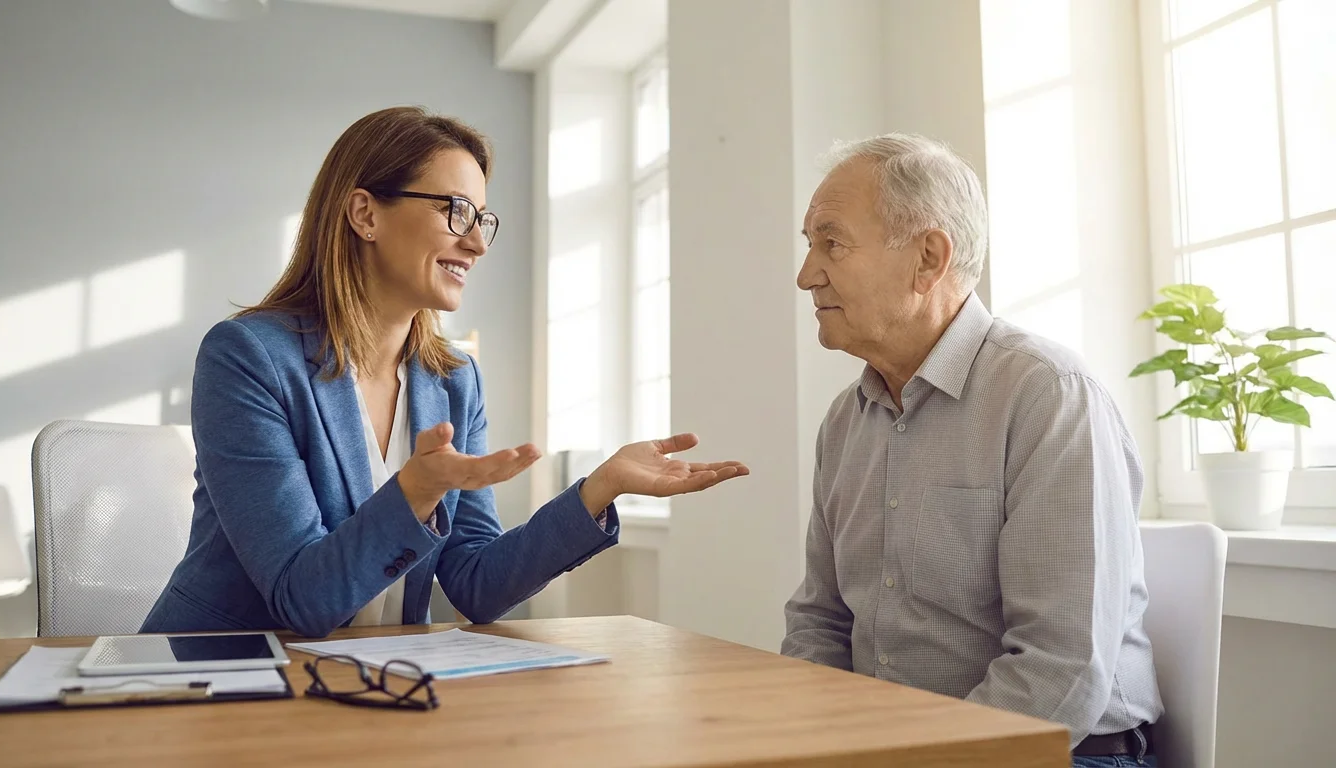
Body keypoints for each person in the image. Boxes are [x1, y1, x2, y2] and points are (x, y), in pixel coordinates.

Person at [142, 106, 747, 638]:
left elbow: (475, 582)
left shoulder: (453, 379)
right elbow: (303, 598)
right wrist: (417, 490)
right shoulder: (247, 357)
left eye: (482, 219)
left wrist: (600, 488)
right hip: (215, 681)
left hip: (367, 684)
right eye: (457, 211)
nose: (477, 245)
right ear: (365, 213)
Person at [781, 133, 1162, 767]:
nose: (806, 274)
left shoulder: (1049, 394)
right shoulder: (846, 421)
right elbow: (820, 622)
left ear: (928, 257)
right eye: (809, 245)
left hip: (1064, 753)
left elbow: (1059, 671)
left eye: (832, 242)